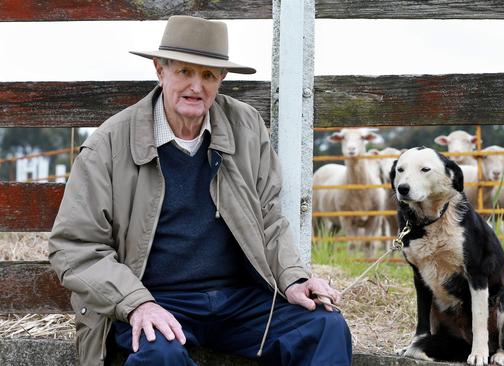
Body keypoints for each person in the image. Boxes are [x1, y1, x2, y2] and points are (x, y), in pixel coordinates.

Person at [49, 15, 351, 366]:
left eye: (208, 75)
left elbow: (267, 219)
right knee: (158, 355)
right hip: (155, 298)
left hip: (240, 300)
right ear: (160, 70)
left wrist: (293, 278)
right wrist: (136, 303)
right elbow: (75, 248)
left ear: (221, 79)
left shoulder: (247, 127)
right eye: (184, 72)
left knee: (325, 326)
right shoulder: (109, 144)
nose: (196, 86)